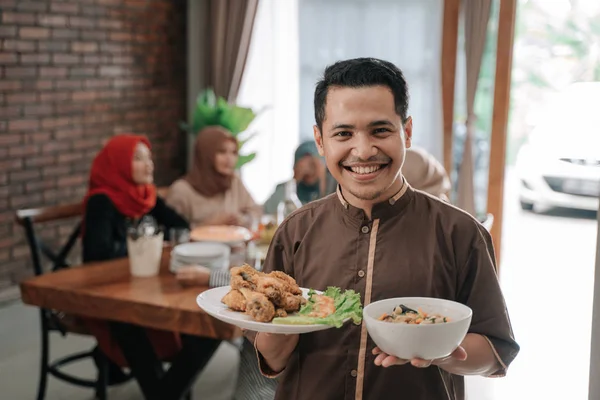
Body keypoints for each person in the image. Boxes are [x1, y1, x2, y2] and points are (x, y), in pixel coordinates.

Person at [248, 58, 519, 400]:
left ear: (406, 132)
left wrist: (446, 352)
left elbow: (494, 350)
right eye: (343, 133)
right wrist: (282, 330)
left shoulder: (460, 233)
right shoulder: (294, 231)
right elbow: (270, 356)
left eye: (380, 131)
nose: (362, 151)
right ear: (320, 140)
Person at [81, 134, 190, 382]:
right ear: (118, 164)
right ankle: (160, 384)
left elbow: (181, 226)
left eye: (149, 158)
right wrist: (149, 245)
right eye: (138, 158)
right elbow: (98, 254)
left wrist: (154, 243)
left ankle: (162, 380)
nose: (149, 164)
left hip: (142, 284)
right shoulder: (102, 201)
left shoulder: (144, 196)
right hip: (106, 290)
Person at [166, 126, 258, 228]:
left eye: (233, 152)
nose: (229, 159)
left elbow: (255, 211)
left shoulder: (234, 182)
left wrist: (242, 219)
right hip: (199, 244)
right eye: (222, 152)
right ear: (206, 155)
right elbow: (172, 232)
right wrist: (208, 225)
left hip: (235, 243)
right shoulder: (181, 190)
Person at [263, 141, 336, 214]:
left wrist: (322, 177)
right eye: (302, 165)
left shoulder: (335, 184)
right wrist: (295, 180)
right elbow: (267, 211)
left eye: (312, 165)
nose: (308, 170)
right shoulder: (287, 188)